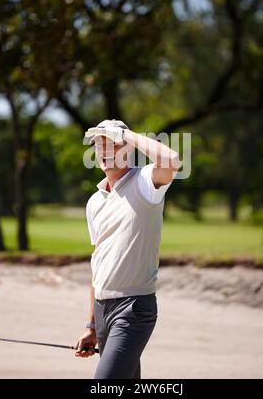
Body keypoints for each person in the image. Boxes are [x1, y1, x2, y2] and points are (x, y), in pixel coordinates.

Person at [75, 119, 181, 379]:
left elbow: (172, 160)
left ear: (128, 148)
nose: (105, 152)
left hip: (133, 308)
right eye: (100, 146)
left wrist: (125, 134)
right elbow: (98, 264)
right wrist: (91, 325)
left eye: (112, 145)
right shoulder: (95, 201)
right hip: (102, 311)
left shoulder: (145, 181)